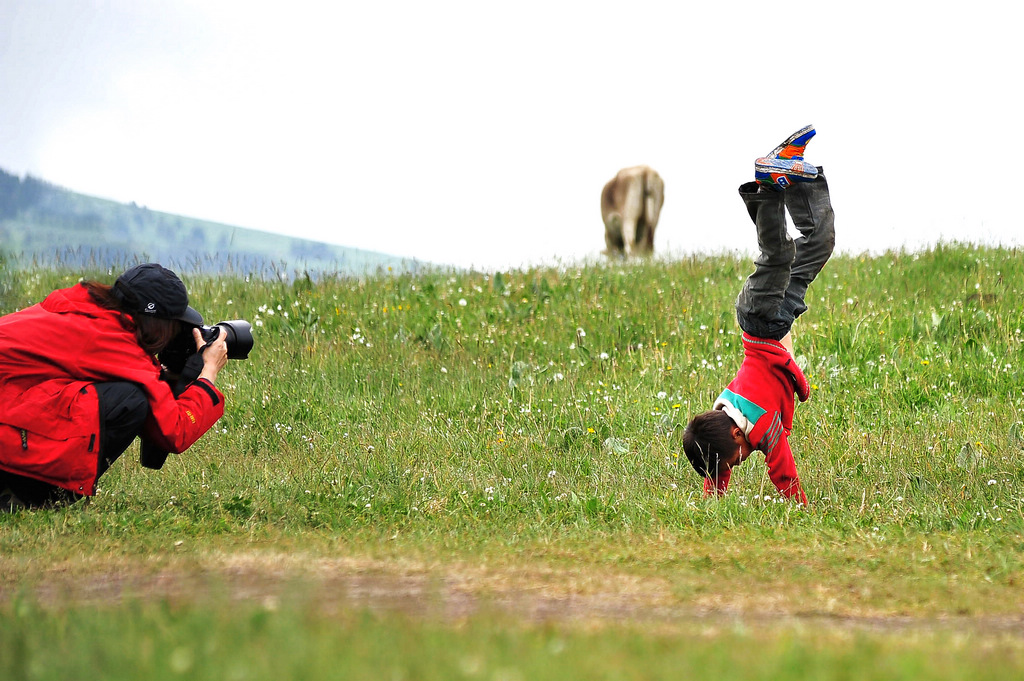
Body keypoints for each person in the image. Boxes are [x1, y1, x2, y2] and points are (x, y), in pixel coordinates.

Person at [682, 125, 835, 505]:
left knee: (779, 254)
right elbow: (717, 459)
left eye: (734, 460)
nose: (738, 464)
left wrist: (800, 506)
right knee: (818, 243)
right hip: (777, 316)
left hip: (758, 317)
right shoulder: (727, 419)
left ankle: (767, 188)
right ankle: (797, 173)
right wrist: (713, 498)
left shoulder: (760, 427)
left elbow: (782, 469)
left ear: (737, 437)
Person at [0, 263, 229, 510]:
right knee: (129, 400)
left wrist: (170, 374)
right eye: (175, 326)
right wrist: (208, 373)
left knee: (106, 392)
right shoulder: (111, 341)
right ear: (157, 324)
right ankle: (32, 496)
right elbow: (173, 431)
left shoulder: (80, 310)